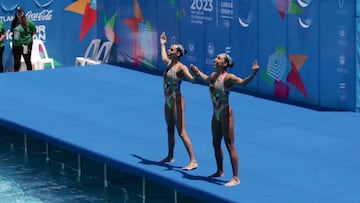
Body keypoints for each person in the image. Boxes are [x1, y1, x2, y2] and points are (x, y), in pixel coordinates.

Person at [190, 53, 259, 186]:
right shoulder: (214, 76)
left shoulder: (228, 78)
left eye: (219, 58)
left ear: (225, 63)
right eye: (216, 57)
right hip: (215, 112)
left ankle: (235, 177)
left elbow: (243, 83)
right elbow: (206, 79)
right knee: (215, 143)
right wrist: (198, 72)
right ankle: (220, 171)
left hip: (225, 113)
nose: (215, 59)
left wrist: (253, 73)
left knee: (229, 144)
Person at [159, 32, 198, 170]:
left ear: (178, 53)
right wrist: (162, 44)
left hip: (177, 101)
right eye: (169, 49)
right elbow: (163, 57)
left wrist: (196, 75)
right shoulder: (169, 63)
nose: (169, 51)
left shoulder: (181, 67)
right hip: (168, 100)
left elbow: (192, 80)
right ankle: (170, 155)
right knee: (170, 129)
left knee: (181, 132)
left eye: (172, 49)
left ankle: (193, 160)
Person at [11, 6, 36, 72]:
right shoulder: (14, 22)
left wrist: (26, 39)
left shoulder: (28, 22)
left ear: (23, 12)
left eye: (20, 12)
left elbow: (34, 31)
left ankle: (30, 74)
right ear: (16, 13)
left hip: (26, 45)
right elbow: (13, 32)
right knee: (17, 62)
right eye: (18, 12)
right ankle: (16, 77)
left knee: (27, 60)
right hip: (16, 45)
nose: (19, 13)